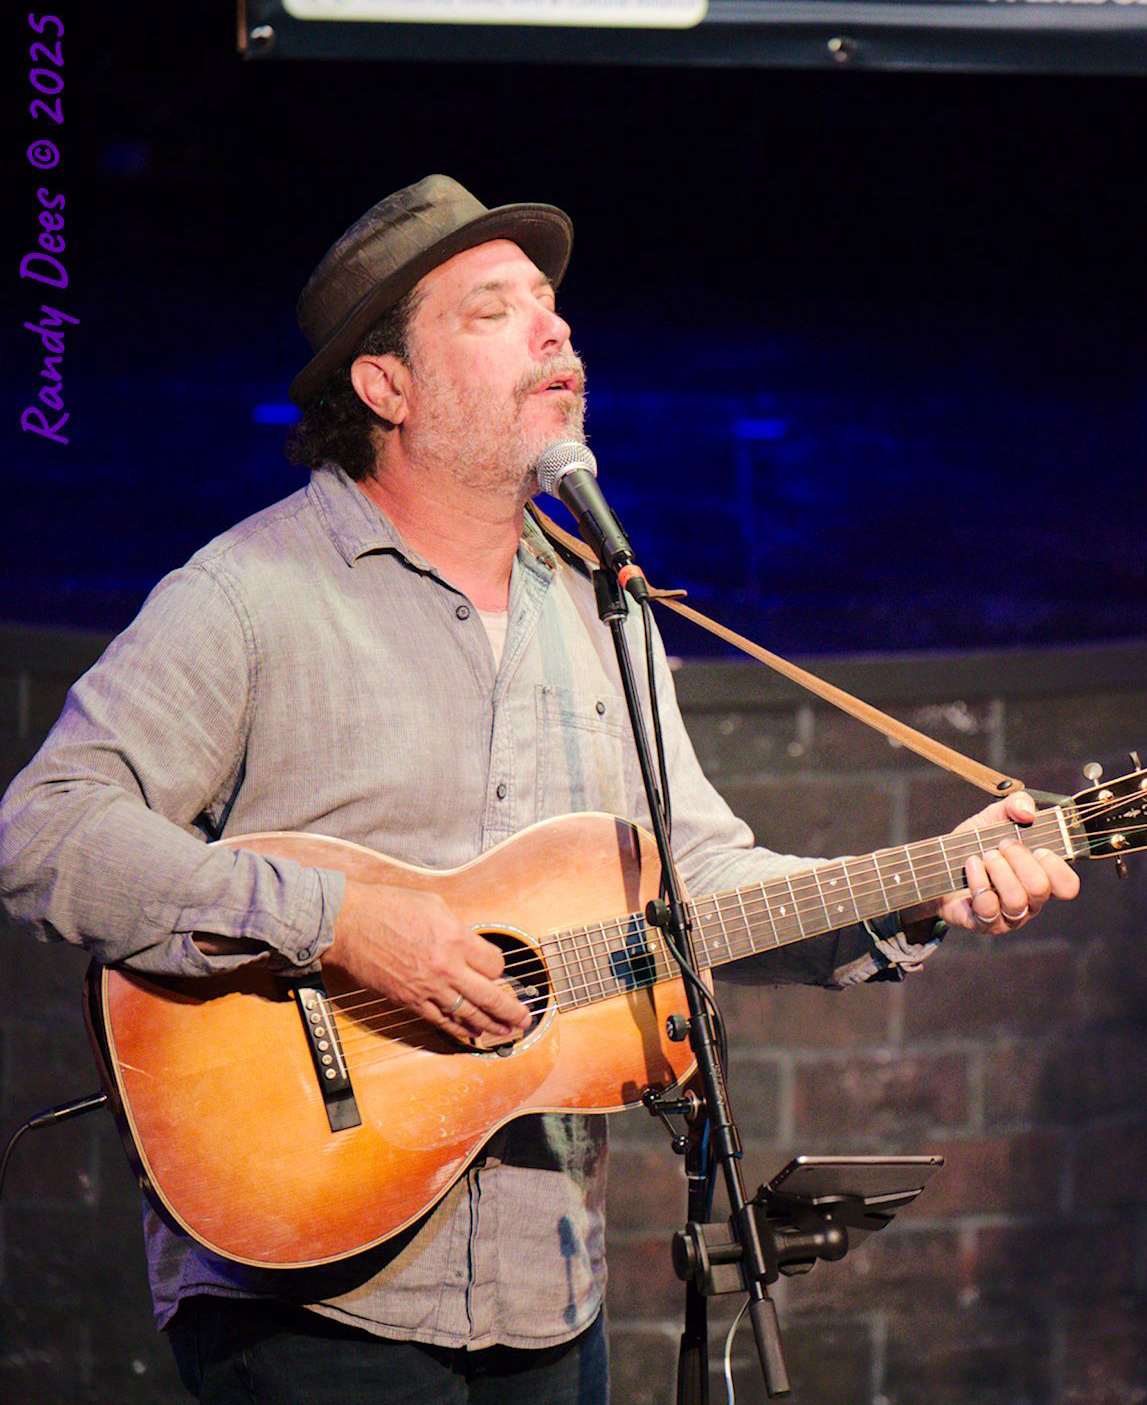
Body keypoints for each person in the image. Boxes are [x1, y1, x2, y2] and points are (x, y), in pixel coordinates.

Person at [0, 175, 1080, 1403]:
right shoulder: (248, 595)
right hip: (310, 1287)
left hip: (545, 1291)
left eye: (553, 307)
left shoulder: (602, 611)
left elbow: (701, 885)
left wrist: (932, 884)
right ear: (385, 385)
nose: (555, 331)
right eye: (492, 311)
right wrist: (343, 924)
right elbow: (45, 832)